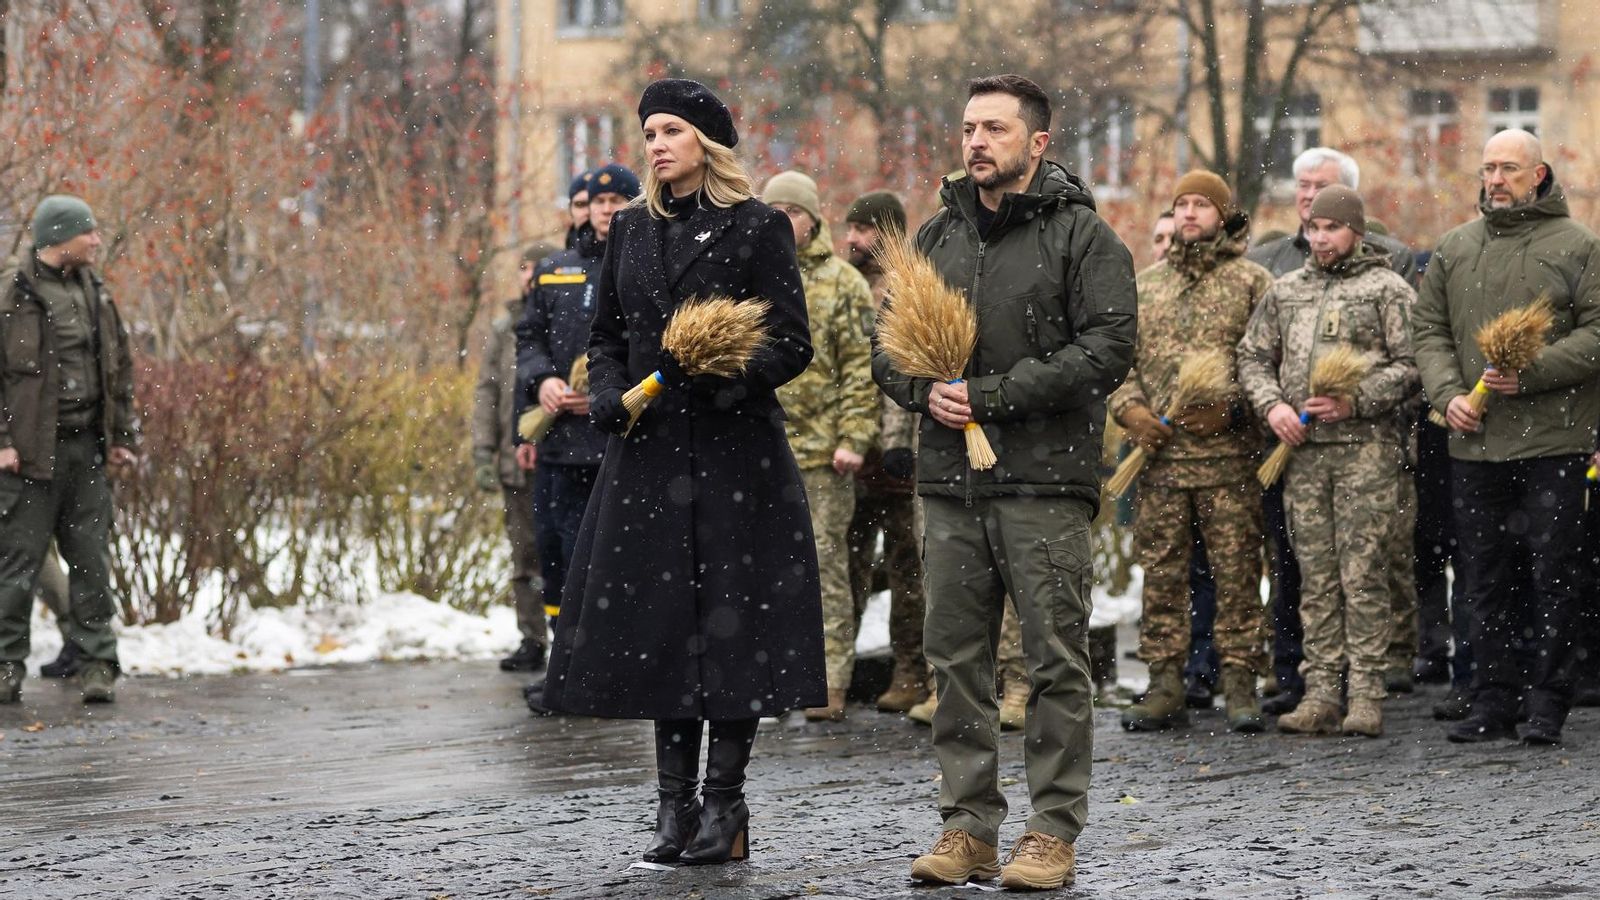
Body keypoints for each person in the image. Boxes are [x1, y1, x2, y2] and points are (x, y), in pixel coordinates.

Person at [540, 79, 825, 865]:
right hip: (650, 457)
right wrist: (605, 395)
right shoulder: (629, 232)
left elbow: (791, 342)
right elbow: (605, 337)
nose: (658, 144)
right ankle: (673, 808)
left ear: (708, 141)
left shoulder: (759, 227)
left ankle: (725, 809)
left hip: (739, 457)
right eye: (650, 132)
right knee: (663, 633)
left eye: (672, 130)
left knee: (733, 635)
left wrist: (719, 378)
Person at [875, 74, 1135, 891]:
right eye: (967, 127)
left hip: (1044, 484)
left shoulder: (1083, 237)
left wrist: (990, 396)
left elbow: (1107, 350)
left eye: (993, 127)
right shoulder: (936, 237)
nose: (976, 141)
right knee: (954, 660)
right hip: (950, 487)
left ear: (1037, 142)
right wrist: (926, 390)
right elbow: (888, 349)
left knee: (1056, 662)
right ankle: (968, 829)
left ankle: (1051, 832)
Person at [1411, 129, 1600, 746]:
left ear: (1539, 175)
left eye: (1510, 169)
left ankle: (1548, 702)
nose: (1496, 179)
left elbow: (1596, 336)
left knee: (1554, 576)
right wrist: (1449, 396)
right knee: (1484, 578)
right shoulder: (1454, 247)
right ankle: (1493, 697)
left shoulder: (1579, 246)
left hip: (1555, 444)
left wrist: (1531, 371)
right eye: (1489, 168)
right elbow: (1430, 331)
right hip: (1476, 444)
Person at [1246, 146, 1424, 715]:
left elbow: (1414, 364)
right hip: (1301, 453)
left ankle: (1367, 690)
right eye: (1314, 227)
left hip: (1365, 452)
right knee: (1313, 575)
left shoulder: (1388, 289)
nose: (1320, 238)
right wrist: (1273, 406)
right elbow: (1251, 357)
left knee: (1362, 572)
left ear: (1355, 230)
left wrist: (1357, 400)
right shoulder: (1285, 291)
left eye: (1332, 229)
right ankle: (1321, 688)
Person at [1112, 171, 1272, 734]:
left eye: (1201, 204)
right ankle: (1164, 684)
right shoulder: (1145, 285)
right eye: (1180, 204)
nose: (1188, 214)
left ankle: (1239, 683)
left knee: (1236, 576)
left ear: (1224, 216)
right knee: (1161, 577)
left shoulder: (1253, 282)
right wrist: (1130, 410)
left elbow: (1270, 363)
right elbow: (1117, 361)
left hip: (1230, 465)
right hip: (1160, 465)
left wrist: (1235, 411)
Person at [0, 195, 139, 705]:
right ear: (59, 236)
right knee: (15, 570)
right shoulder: (11, 297)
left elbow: (119, 370)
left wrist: (123, 437)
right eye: (89, 232)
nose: (98, 240)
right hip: (30, 460)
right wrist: (2, 443)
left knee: (91, 566)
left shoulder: (96, 294)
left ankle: (97, 663)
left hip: (87, 454)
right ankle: (5, 667)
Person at [516, 163, 638, 712]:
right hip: (561, 448)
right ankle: (563, 671)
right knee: (557, 558)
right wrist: (540, 383)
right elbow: (529, 339)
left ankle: (612, 673)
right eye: (597, 200)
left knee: (615, 560)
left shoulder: (643, 265)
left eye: (617, 200)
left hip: (618, 442)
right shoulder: (554, 270)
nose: (605, 209)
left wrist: (613, 393)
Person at [763, 171, 878, 723]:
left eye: (793, 211)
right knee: (765, 571)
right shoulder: (751, 277)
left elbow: (861, 368)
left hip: (823, 453)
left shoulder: (842, 284)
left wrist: (855, 438)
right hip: (763, 448)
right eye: (775, 211)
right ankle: (772, 677)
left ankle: (829, 681)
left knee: (826, 571)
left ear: (813, 219)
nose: (784, 221)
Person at [842, 190, 931, 715]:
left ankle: (911, 670)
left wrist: (895, 441)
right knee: (848, 565)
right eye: (850, 229)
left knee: (907, 569)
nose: (850, 239)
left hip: (896, 453)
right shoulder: (847, 286)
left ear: (888, 231)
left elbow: (903, 371)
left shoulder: (906, 288)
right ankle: (837, 669)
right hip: (851, 454)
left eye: (862, 230)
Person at [473, 242, 555, 673]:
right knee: (524, 556)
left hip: (561, 460)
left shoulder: (568, 318)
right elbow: (487, 391)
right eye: (525, 267)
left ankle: (573, 644)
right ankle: (531, 638)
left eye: (539, 267)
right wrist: (483, 451)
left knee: (568, 556)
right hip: (515, 464)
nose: (530, 275)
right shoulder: (505, 326)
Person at [563, 171, 591, 250]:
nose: (588, 212)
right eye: (580, 204)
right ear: (570, 210)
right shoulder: (558, 260)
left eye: (596, 203)